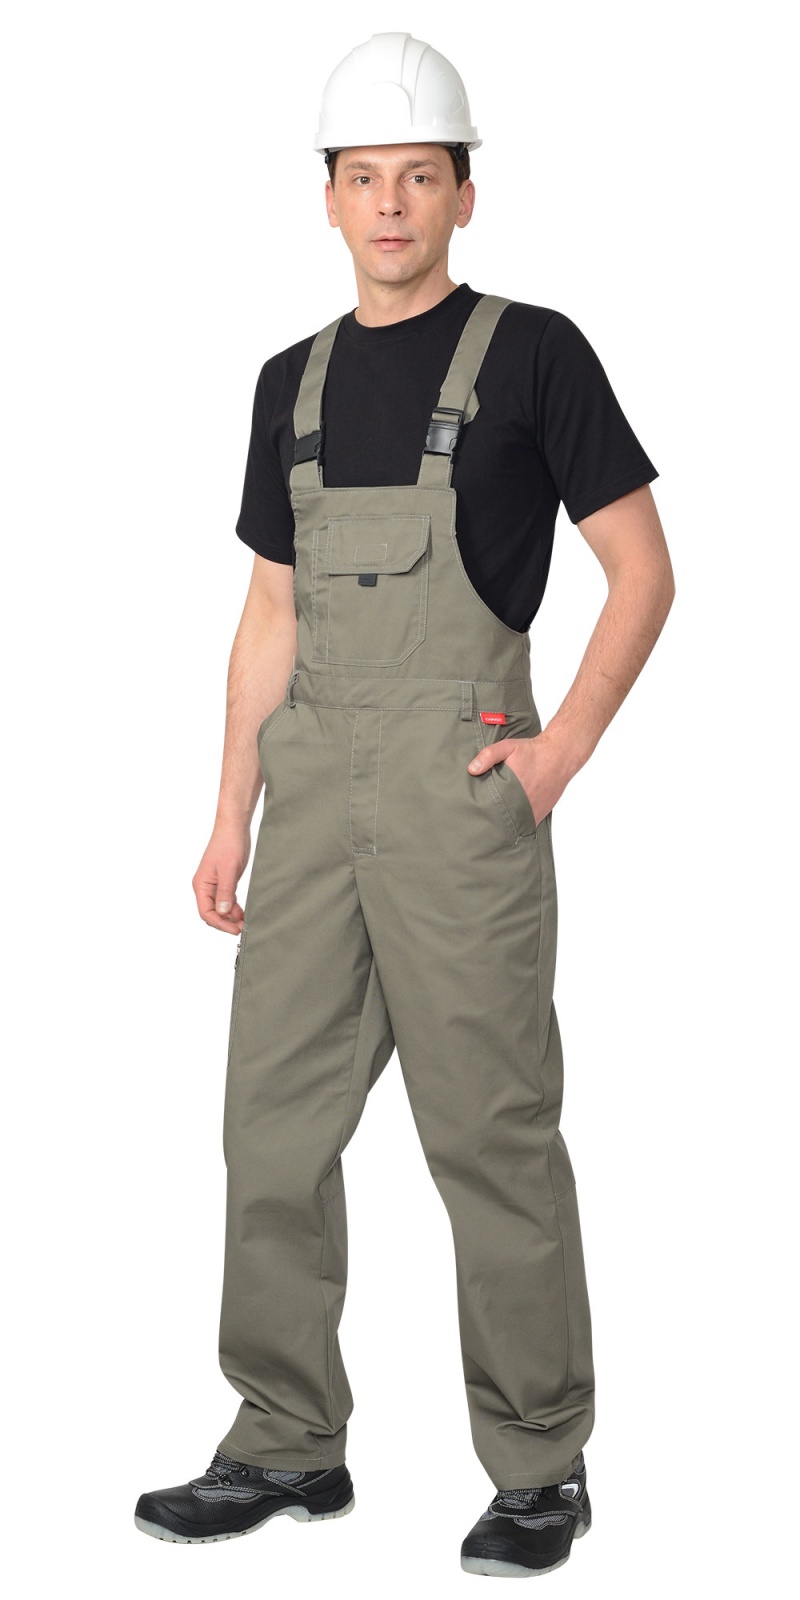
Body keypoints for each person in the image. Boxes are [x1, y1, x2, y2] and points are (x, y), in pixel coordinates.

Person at [135, 30, 674, 1577]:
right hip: (312, 804)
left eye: (418, 177)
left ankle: (539, 1464)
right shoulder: (288, 383)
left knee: (490, 1134)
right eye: (363, 178)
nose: (390, 205)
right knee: (269, 1128)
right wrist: (229, 812)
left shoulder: (536, 354)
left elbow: (643, 570)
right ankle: (284, 1439)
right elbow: (269, 616)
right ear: (327, 199)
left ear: (463, 195)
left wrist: (561, 750)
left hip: (462, 799)